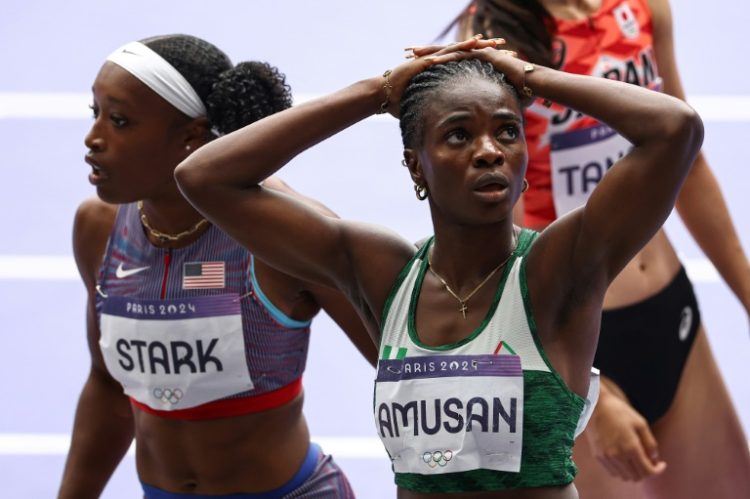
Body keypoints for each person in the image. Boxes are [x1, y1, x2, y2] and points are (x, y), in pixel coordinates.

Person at [174, 34, 703, 497]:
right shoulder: (382, 273)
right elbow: (204, 178)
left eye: (507, 131)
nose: (489, 151)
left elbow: (674, 128)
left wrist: (531, 77)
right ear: (414, 164)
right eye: (458, 135)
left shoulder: (556, 269)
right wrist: (378, 92)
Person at [448, 1, 750, 497]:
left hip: (668, 315)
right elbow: (497, 241)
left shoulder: (643, 8)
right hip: (570, 341)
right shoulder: (496, 33)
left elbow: (686, 162)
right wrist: (594, 394)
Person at [57, 34, 375, 498]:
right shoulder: (98, 229)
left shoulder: (284, 232)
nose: (93, 138)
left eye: (120, 121)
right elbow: (108, 386)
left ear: (191, 136)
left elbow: (405, 364)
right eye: (96, 113)